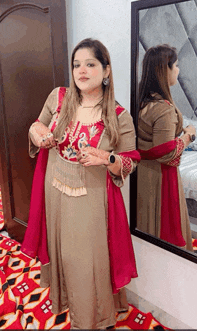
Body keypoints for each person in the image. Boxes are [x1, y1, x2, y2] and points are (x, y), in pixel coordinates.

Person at [21, 38, 140, 329]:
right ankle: (70, 306)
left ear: (106, 70)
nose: (82, 70)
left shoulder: (119, 116)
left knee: (87, 262)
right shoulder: (59, 97)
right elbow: (38, 124)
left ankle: (91, 320)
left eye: (90, 64)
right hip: (55, 188)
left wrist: (106, 157)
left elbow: (130, 162)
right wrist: (37, 131)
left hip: (91, 198)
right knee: (61, 251)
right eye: (77, 64)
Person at [137, 44, 195, 251]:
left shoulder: (141, 101)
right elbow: (166, 151)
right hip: (160, 176)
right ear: (165, 69)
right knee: (163, 224)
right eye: (176, 65)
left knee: (147, 223)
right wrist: (188, 136)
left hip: (142, 171)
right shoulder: (162, 109)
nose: (178, 70)